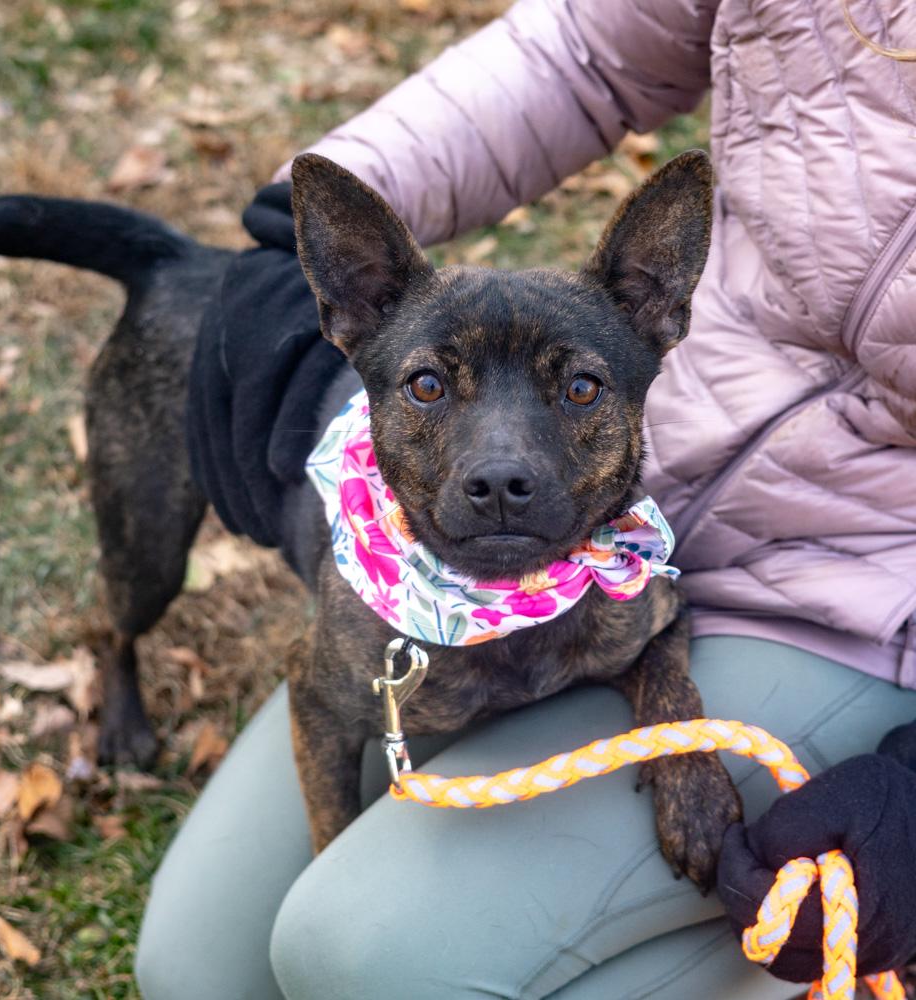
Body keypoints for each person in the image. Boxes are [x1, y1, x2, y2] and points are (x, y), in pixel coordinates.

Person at [136, 1, 916, 997]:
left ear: (652, 306)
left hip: (842, 611)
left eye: (578, 383)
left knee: (362, 954)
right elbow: (579, 54)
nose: (500, 466)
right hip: (627, 520)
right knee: (193, 971)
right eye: (427, 383)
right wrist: (310, 195)